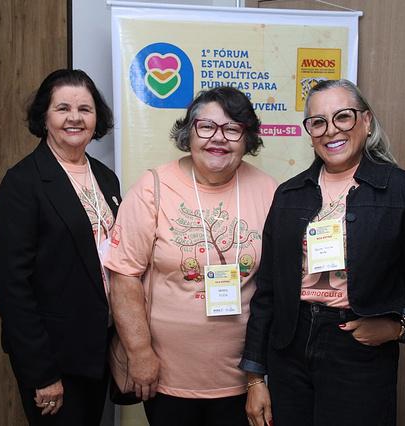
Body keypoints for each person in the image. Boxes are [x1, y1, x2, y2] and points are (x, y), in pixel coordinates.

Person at [241, 79, 405, 426]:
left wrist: (397, 326)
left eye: (343, 116)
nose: (330, 130)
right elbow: (267, 292)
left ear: (366, 121)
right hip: (289, 347)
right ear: (310, 132)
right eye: (318, 122)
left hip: (357, 348)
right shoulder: (289, 195)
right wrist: (255, 377)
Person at [105, 86, 277, 426]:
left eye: (232, 128)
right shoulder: (154, 187)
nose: (218, 138)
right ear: (189, 133)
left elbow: (275, 286)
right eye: (206, 126)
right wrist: (139, 353)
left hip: (243, 378)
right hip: (165, 376)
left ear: (247, 138)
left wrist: (258, 375)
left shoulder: (270, 191)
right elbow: (124, 275)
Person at [0, 69, 121, 425]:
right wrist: (42, 372)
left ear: (96, 118)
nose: (74, 118)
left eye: (85, 109)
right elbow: (11, 286)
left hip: (98, 344)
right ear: (44, 117)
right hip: (53, 355)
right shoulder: (23, 183)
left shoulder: (105, 177)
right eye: (63, 108)